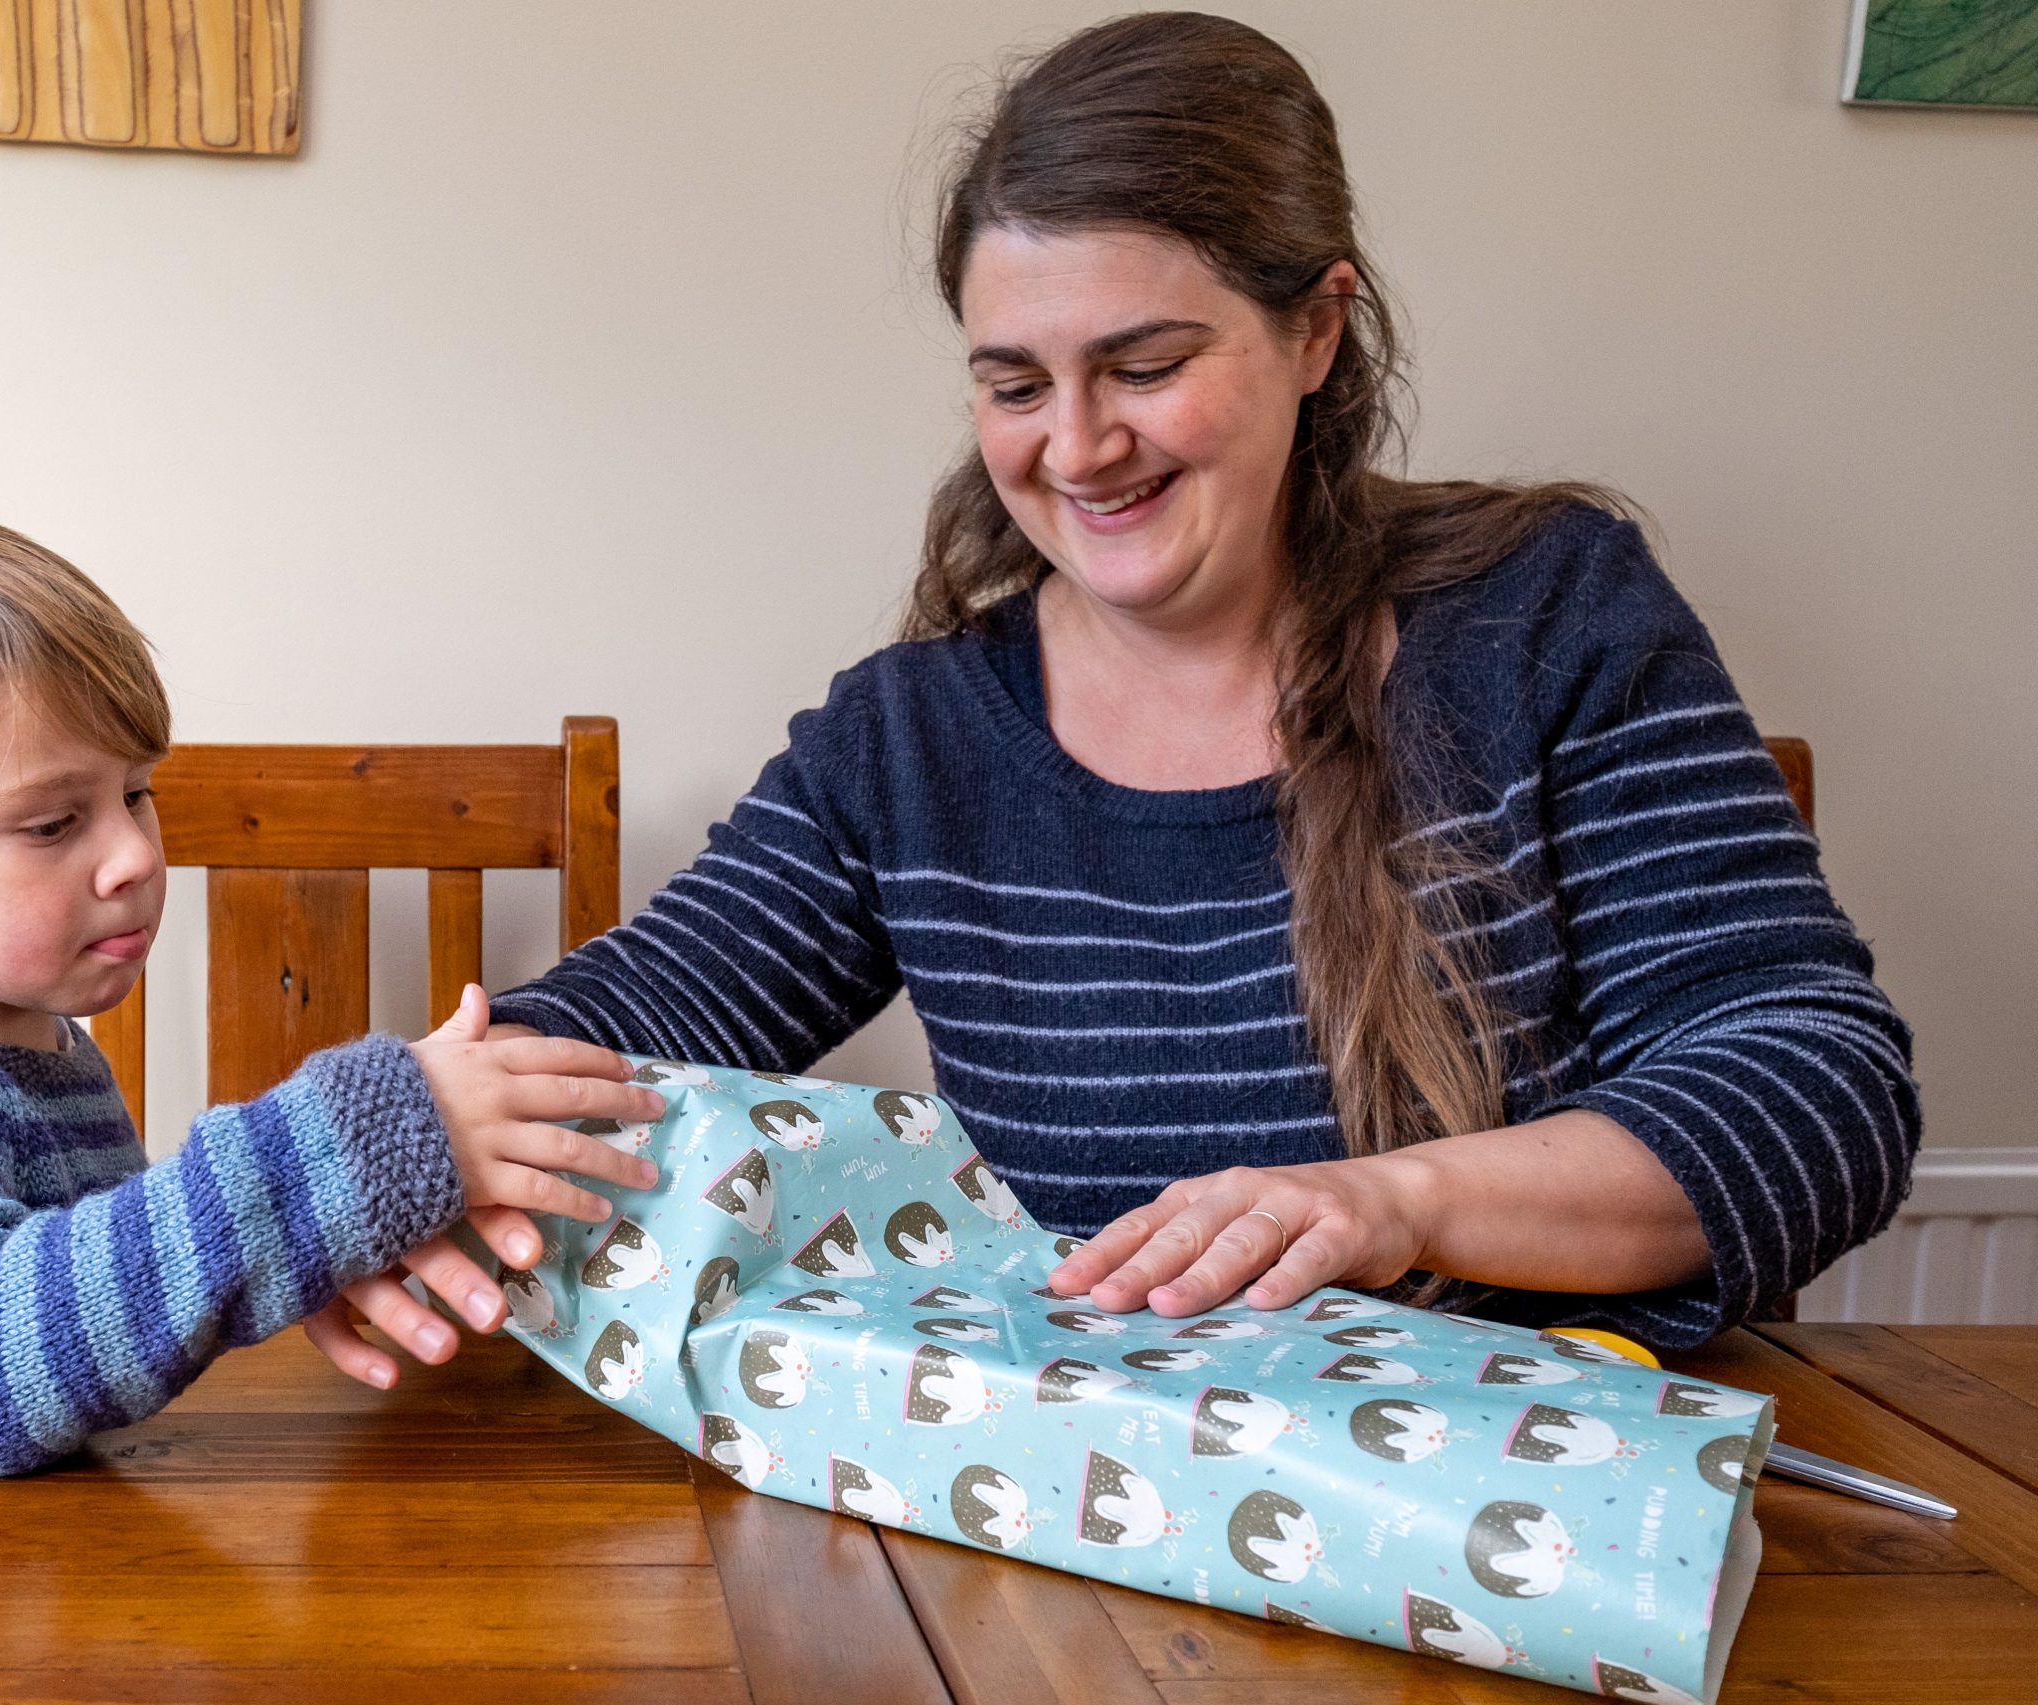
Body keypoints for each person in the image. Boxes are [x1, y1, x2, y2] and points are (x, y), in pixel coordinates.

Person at [448, 12, 1918, 1350]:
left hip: (1530, 1515)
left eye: (1144, 365)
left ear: (1317, 331)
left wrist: (1389, 1204)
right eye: (1015, 385)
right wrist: (415, 1127)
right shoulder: (910, 738)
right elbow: (627, 1029)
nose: (1076, 449)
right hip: (1098, 1526)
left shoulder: (1547, 618)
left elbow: (1816, 1082)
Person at [0, 503, 664, 1475]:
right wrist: (320, 1163)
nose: (134, 854)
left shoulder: (36, 1042)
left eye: (135, 792)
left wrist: (309, 1232)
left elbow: (89, 1303)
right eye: (53, 824)